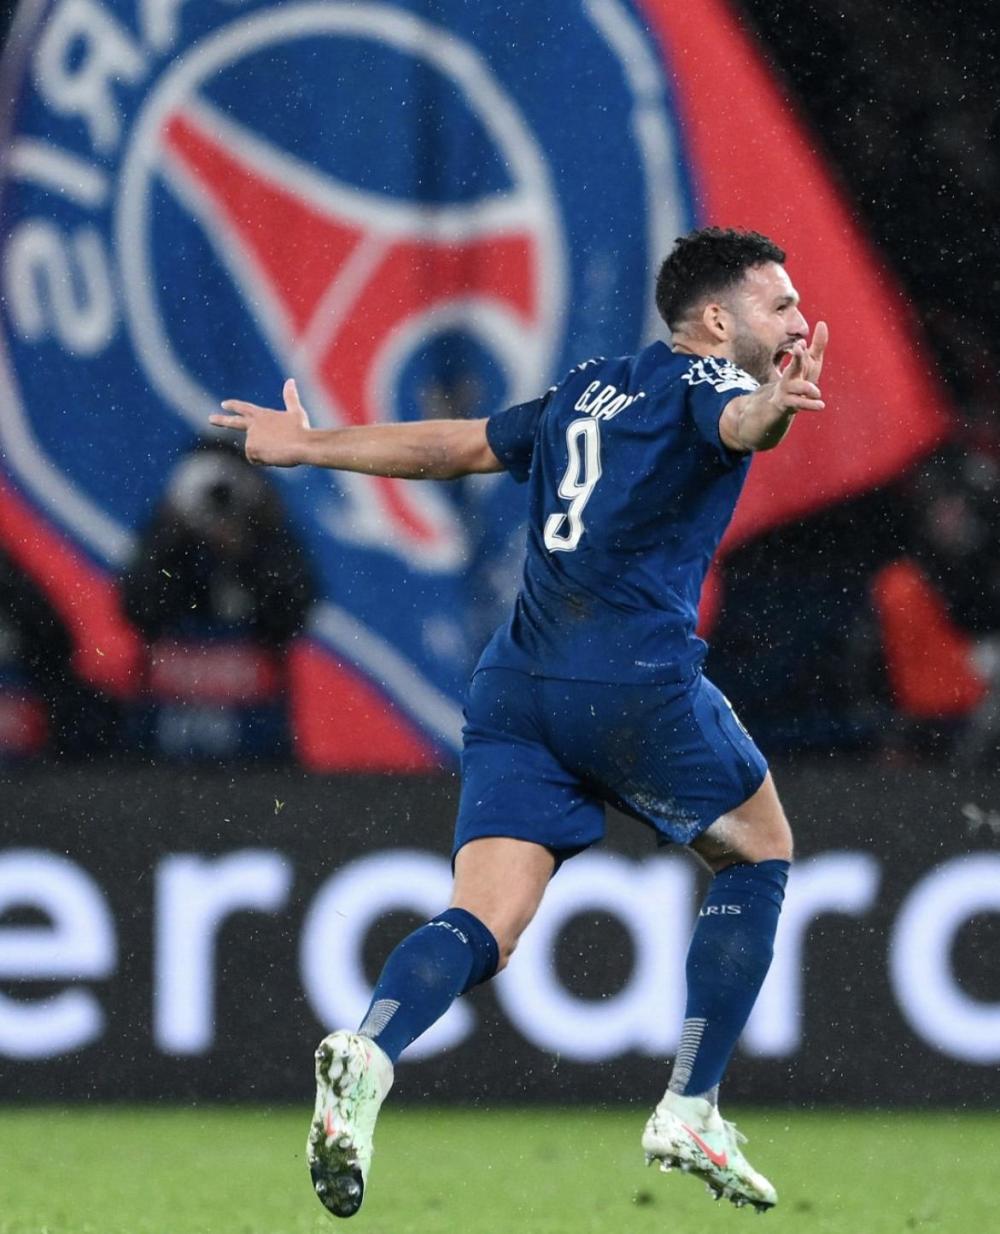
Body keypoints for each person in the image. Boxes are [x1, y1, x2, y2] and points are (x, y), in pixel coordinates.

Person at [211, 227, 828, 1218]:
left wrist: (310, 445)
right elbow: (739, 421)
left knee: (483, 919)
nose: (797, 321)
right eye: (781, 304)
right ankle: (690, 1104)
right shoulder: (710, 383)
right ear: (717, 320)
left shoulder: (589, 387)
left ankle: (370, 1049)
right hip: (629, 681)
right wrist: (774, 411)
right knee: (758, 851)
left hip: (517, 685)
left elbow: (457, 447)